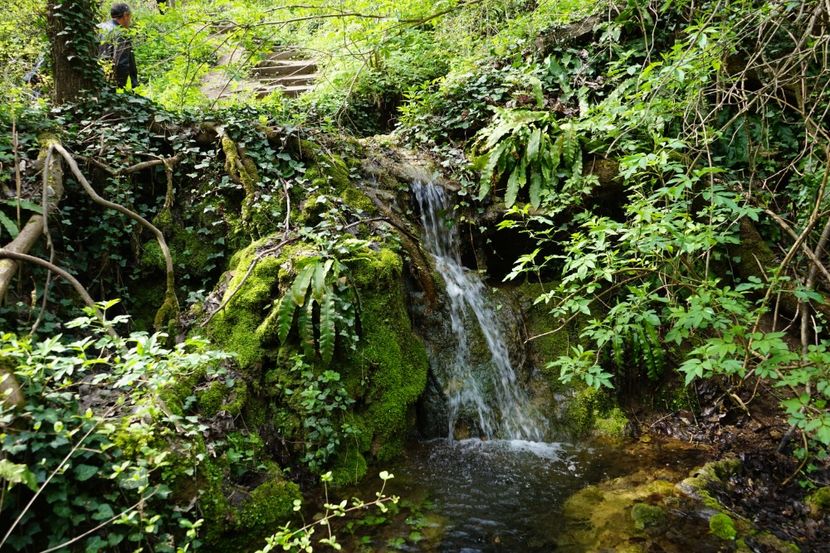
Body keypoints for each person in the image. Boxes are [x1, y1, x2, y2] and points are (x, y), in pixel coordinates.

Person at [98, 3, 138, 89]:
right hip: (111, 82)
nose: (130, 20)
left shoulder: (99, 27)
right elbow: (122, 62)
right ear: (125, 15)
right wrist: (120, 87)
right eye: (130, 16)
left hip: (96, 77)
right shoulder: (121, 33)